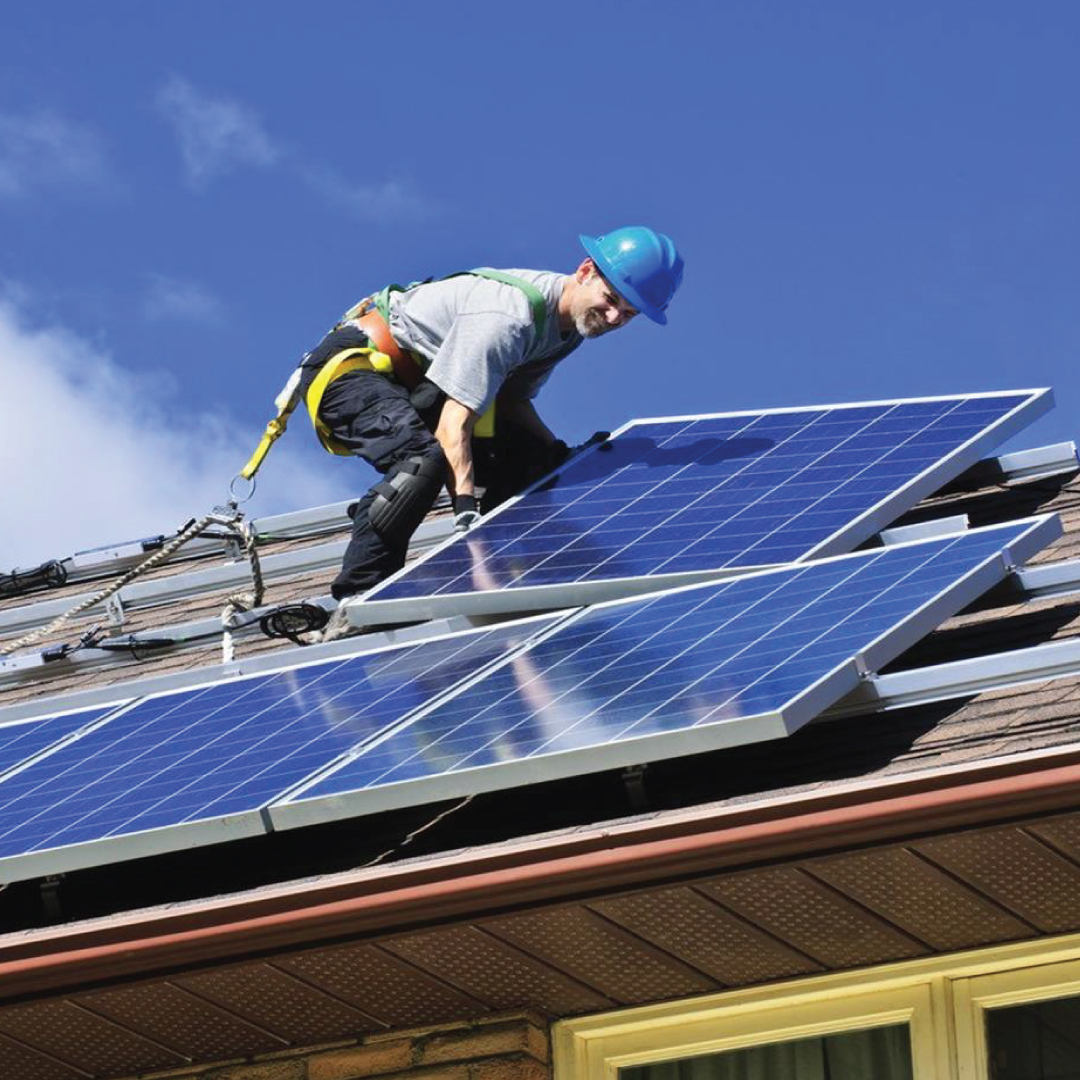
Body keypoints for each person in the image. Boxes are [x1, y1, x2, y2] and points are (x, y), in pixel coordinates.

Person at [296, 226, 684, 600]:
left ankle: (516, 574)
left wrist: (558, 454)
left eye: (629, 314)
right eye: (611, 299)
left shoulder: (568, 331)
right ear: (585, 271)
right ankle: (361, 596)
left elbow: (511, 403)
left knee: (536, 463)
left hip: (422, 387)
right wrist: (465, 513)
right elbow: (453, 427)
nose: (614, 318)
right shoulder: (510, 318)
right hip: (353, 369)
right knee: (421, 463)